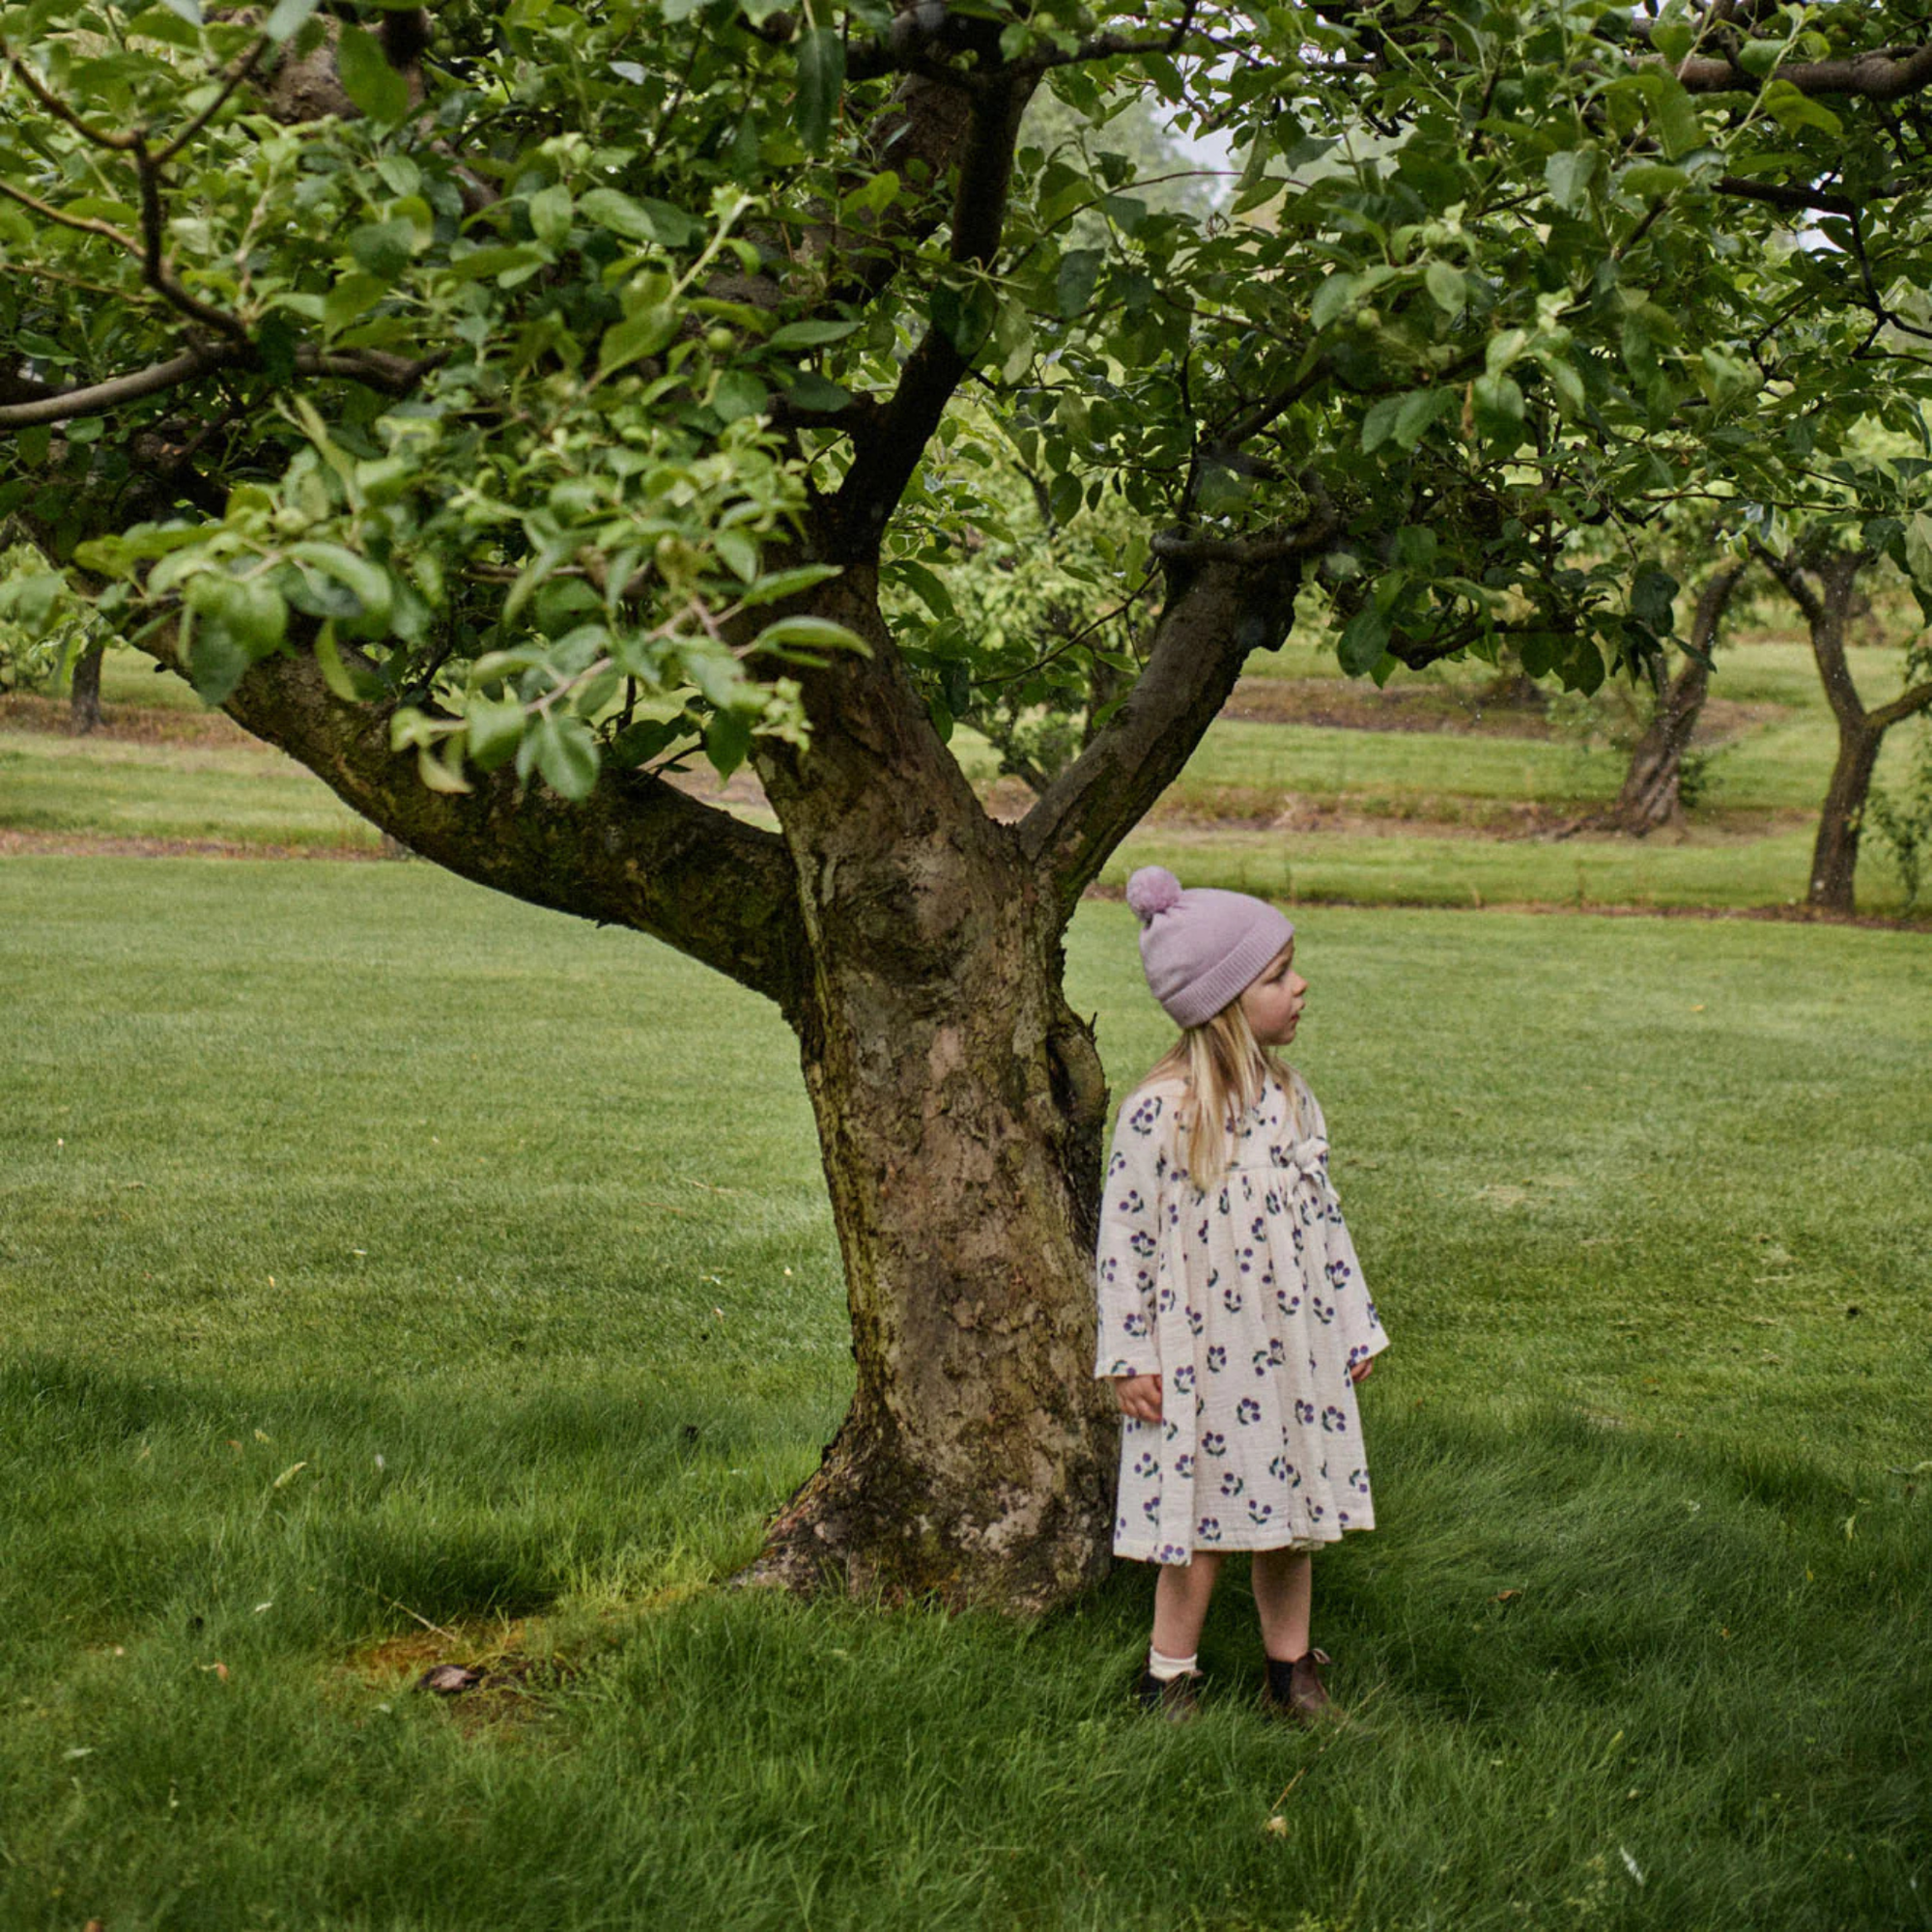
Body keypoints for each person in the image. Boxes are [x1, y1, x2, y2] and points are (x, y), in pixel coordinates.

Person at [1095, 866, 1389, 1722]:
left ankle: (1291, 1672)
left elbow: (1325, 1222)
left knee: (1293, 1510)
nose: (1300, 987)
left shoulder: (1293, 1103)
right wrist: (1128, 1356)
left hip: (1290, 1343)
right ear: (1221, 1002)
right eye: (1276, 975)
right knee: (1195, 1519)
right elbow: (1125, 1242)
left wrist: (1354, 1328)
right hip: (1196, 1355)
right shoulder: (1160, 1114)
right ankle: (1169, 1675)